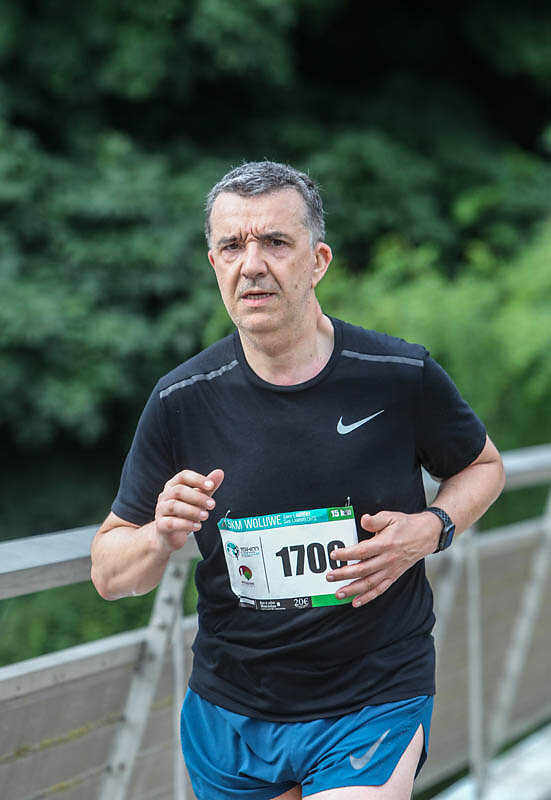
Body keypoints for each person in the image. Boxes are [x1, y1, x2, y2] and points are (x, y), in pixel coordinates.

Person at [91, 161, 505, 800]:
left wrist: (433, 527)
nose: (252, 265)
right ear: (214, 264)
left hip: (373, 695)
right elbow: (109, 573)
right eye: (232, 246)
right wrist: (158, 536)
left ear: (318, 261)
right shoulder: (180, 401)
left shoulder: (397, 374)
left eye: (275, 242)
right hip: (232, 709)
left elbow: (484, 466)